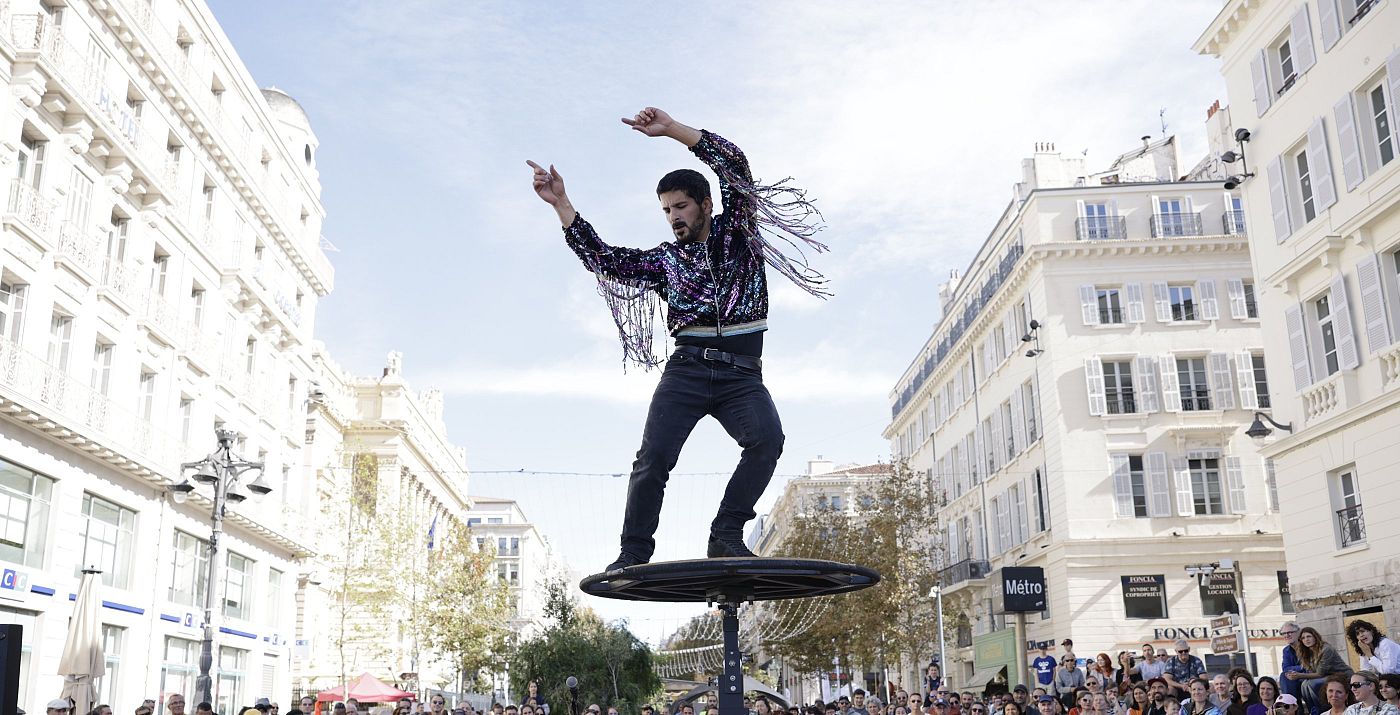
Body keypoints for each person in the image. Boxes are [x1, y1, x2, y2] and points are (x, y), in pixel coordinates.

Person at [528, 105, 827, 570]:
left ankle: (725, 534)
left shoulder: (739, 233)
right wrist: (561, 205)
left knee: (767, 440)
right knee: (652, 459)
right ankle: (633, 552)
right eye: (666, 211)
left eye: (681, 207)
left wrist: (672, 131)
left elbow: (734, 163)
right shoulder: (666, 260)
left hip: (742, 376)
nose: (673, 218)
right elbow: (604, 259)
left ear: (706, 204)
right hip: (687, 370)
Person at [1294, 627, 1355, 712]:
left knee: (1312, 684)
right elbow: (1313, 672)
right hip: (1327, 676)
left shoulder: (1326, 649)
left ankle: (1322, 710)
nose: (1306, 640)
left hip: (1342, 675)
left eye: (1309, 636)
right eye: (1303, 638)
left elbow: (1320, 673)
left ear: (1315, 637)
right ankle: (1313, 710)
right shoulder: (1308, 652)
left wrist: (1299, 675)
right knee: (1304, 684)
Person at [1282, 624, 1306, 701]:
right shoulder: (1286, 650)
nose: (1287, 635)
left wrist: (1299, 669)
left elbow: (1310, 667)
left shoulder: (1307, 646)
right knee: (1284, 676)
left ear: (1298, 633)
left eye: (1290, 632)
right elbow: (1285, 668)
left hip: (1310, 676)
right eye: (1284, 633)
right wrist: (1301, 667)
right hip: (1295, 677)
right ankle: (1291, 704)